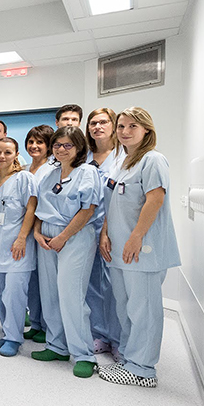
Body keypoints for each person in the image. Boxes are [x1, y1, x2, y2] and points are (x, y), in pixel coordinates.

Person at [97, 107, 179, 388]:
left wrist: (135, 237)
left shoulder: (153, 160)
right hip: (119, 248)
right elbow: (112, 203)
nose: (125, 131)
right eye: (121, 126)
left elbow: (155, 200)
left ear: (147, 130)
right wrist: (105, 233)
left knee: (144, 310)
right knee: (126, 307)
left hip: (143, 249)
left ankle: (143, 370)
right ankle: (129, 359)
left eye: (133, 126)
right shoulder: (122, 162)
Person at [31, 126, 101, 379]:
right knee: (50, 293)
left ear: (79, 147)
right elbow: (39, 206)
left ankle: (84, 355)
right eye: (57, 145)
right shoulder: (49, 174)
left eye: (67, 145)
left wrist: (63, 237)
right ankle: (57, 346)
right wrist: (37, 232)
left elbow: (88, 210)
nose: (61, 149)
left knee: (71, 295)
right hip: (46, 237)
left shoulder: (87, 172)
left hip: (74, 237)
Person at [0, 137, 38, 357]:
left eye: (7, 152)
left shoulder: (24, 178)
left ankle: (14, 338)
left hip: (17, 247)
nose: (2, 156)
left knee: (14, 295)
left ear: (16, 154)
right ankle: (7, 332)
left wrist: (22, 237)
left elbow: (31, 209)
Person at [85, 107, 126, 360]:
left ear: (113, 125)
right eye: (93, 123)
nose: (97, 127)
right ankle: (99, 334)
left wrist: (106, 231)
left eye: (103, 122)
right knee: (91, 283)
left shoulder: (124, 157)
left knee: (114, 286)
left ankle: (119, 339)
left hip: (114, 229)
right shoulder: (84, 157)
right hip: (86, 228)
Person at [23, 125, 56, 344]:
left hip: (41, 231)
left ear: (49, 146)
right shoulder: (25, 169)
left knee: (47, 283)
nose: (34, 146)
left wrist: (35, 229)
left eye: (40, 142)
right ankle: (35, 322)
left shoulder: (53, 170)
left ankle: (47, 327)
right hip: (25, 231)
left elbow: (44, 204)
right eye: (31, 141)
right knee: (32, 281)